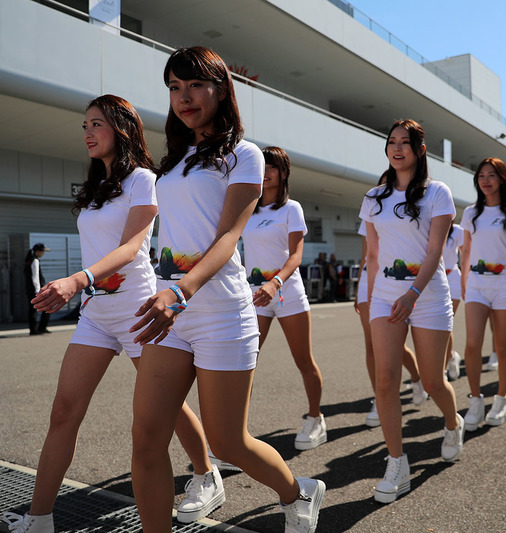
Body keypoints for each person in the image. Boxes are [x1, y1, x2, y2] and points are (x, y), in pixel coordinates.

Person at [1, 95, 222, 533]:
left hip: (140, 313)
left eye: (96, 124)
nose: (87, 132)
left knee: (170, 408)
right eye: (84, 124)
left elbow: (130, 247)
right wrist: (82, 286)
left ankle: (205, 474)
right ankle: (39, 519)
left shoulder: (143, 178)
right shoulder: (95, 188)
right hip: (96, 315)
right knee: (64, 411)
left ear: (121, 129)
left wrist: (76, 280)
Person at [128, 47, 323, 532]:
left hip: (219, 311)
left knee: (228, 442)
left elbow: (228, 237)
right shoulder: (173, 161)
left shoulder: (244, 155)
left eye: (194, 84)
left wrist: (181, 290)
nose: (183, 97)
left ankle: (298, 491)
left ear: (220, 87)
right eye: (174, 87)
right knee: (147, 437)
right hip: (169, 312)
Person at [360, 118, 463, 503]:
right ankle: (396, 460)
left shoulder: (438, 193)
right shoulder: (374, 197)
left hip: (428, 295)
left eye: (405, 142)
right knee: (385, 380)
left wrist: (412, 293)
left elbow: (435, 251)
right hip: (385, 295)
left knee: (433, 381)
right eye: (392, 142)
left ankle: (453, 424)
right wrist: (372, 297)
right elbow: (372, 254)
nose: (397, 148)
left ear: (420, 150)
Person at [241, 146, 326, 451]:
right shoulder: (247, 209)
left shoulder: (292, 209)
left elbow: (296, 256)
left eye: (272, 167)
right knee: (245, 361)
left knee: (303, 360)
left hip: (286, 293)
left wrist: (275, 283)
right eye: (262, 166)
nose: (266, 172)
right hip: (255, 296)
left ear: (283, 173)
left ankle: (315, 418)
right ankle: (237, 431)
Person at [460, 157, 506, 430]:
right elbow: (465, 251)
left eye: (491, 175)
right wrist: (464, 283)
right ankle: (475, 400)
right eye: (481, 176)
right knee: (473, 344)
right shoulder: (470, 212)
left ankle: (501, 399)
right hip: (476, 285)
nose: (485, 180)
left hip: (504, 286)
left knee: (501, 346)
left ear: (502, 179)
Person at [354, 193, 427, 429]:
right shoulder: (372, 208)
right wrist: (359, 288)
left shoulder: (407, 214)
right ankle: (380, 397)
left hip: (399, 279)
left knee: (394, 345)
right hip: (372, 280)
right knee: (371, 344)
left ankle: (416, 379)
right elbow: (367, 255)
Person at [443, 221, 465, 380]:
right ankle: (451, 356)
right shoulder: (424, 225)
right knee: (437, 326)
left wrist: (465, 281)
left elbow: (466, 254)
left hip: (452, 279)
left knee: (445, 323)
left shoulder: (457, 231)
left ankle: (442, 370)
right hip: (432, 280)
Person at [25, 243, 51, 335]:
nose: (43, 253)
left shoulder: (29, 259)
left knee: (33, 310)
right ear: (38, 251)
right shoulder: (34, 260)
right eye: (42, 251)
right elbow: (35, 276)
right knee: (47, 307)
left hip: (30, 289)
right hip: (35, 290)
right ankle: (39, 328)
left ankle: (36, 329)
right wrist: (38, 290)